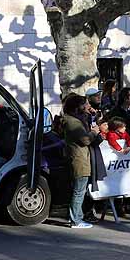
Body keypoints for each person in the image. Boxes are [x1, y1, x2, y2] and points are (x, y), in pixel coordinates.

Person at [58, 94, 98, 229]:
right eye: (85, 104)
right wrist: (95, 132)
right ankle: (75, 219)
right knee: (79, 190)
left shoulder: (75, 119)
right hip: (79, 159)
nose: (88, 106)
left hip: (79, 158)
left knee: (78, 189)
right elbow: (85, 140)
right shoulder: (72, 122)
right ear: (77, 107)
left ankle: (76, 217)